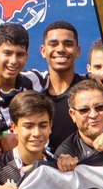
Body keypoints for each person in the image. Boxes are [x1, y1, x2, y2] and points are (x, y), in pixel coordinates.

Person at [36, 20, 89, 149]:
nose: (60, 49)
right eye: (53, 44)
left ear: (77, 50)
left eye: (68, 44)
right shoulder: (34, 94)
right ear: (43, 51)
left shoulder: (90, 91)